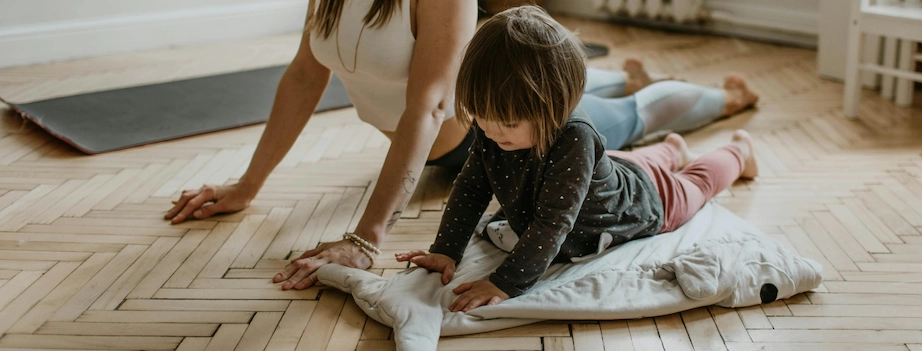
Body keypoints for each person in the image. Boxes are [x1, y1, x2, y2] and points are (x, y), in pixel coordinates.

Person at [163, 0, 758, 291]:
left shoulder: (552, 127)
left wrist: (365, 239)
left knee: (630, 118)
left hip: (509, 130)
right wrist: (248, 186)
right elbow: (302, 76)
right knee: (628, 144)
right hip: (504, 122)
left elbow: (428, 108)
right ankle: (640, 101)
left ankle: (722, 106)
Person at [393, 6, 758, 312]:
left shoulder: (575, 137)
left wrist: (504, 283)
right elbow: (471, 188)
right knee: (631, 163)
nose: (489, 131)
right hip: (611, 170)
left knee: (696, 183)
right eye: (480, 117)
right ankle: (673, 148)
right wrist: (446, 250)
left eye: (506, 123)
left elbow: (553, 224)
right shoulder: (494, 130)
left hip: (644, 200)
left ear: (553, 107)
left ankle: (739, 151)